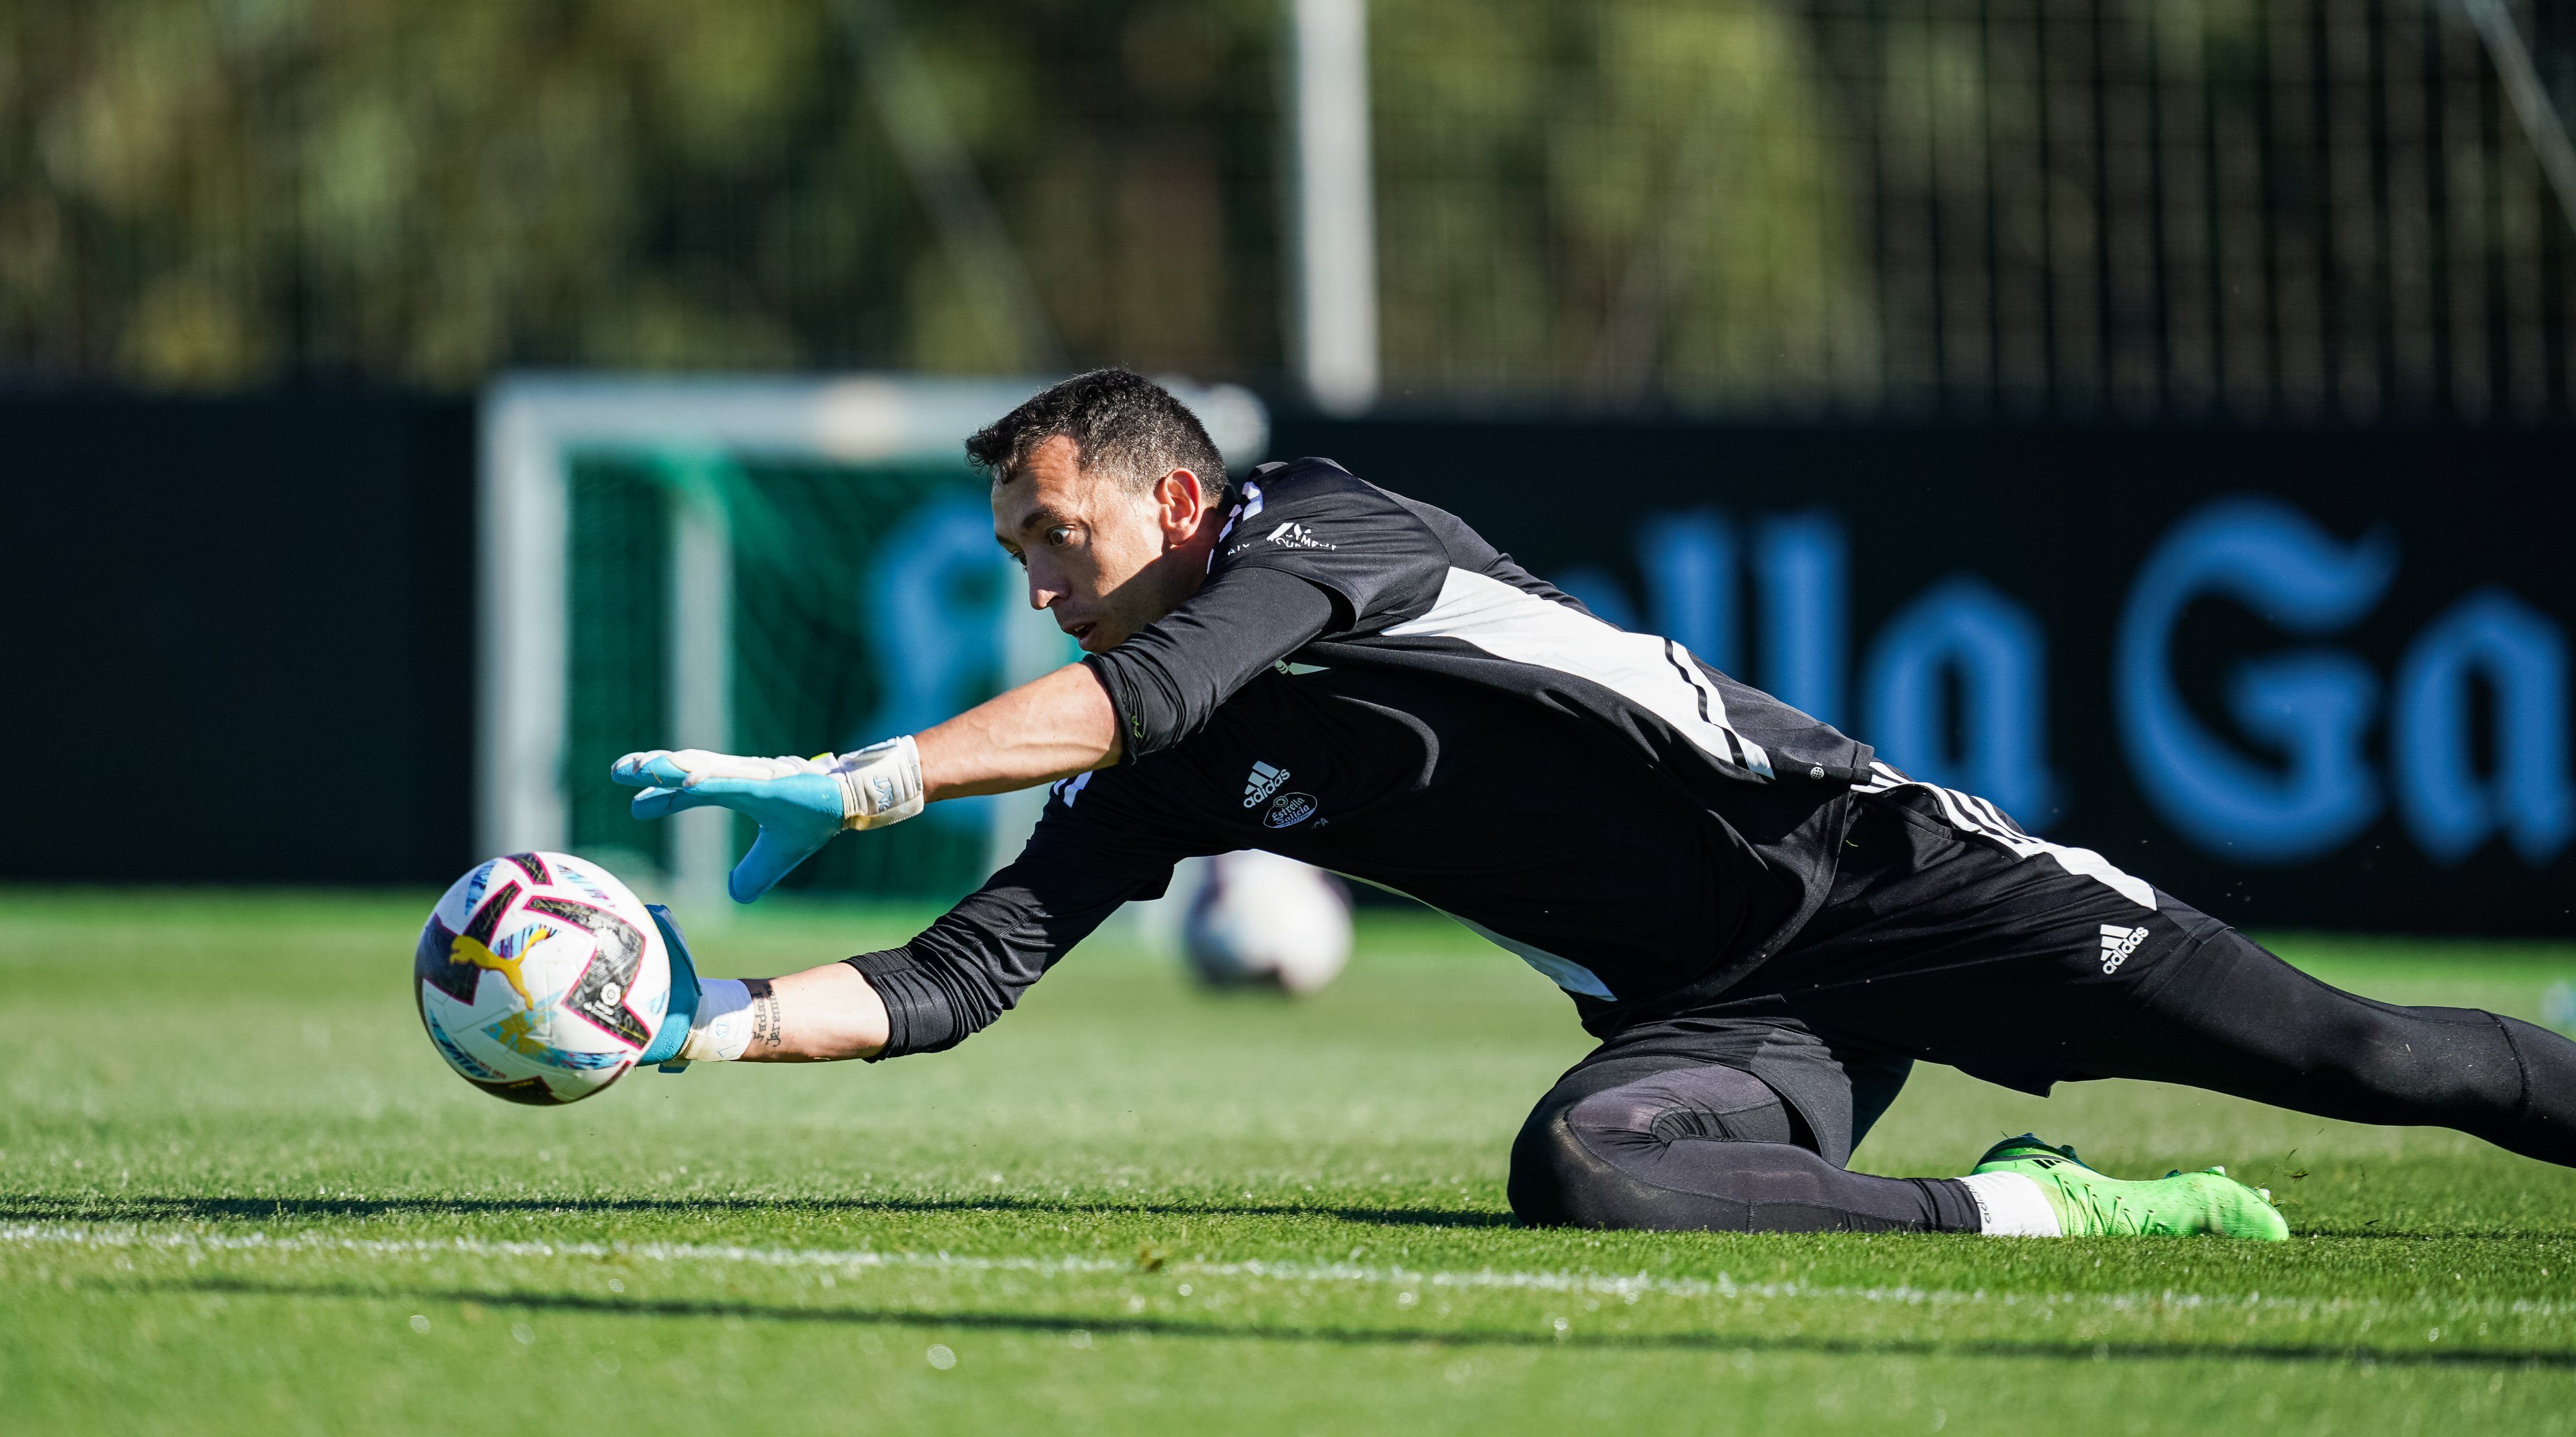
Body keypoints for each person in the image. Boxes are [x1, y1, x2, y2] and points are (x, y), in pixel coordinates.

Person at [611, 370, 2576, 1239]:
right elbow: (975, 963)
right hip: (1721, 1013)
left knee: (2373, 1051)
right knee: (1589, 1177)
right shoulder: (1173, 755)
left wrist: (870, 773)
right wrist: (705, 1025)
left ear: (1182, 500)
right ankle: (2029, 1213)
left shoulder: (1327, 530)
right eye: (1019, 554)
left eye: (1059, 535)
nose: (1037, 576)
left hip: (1892, 880)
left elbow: (1154, 685)